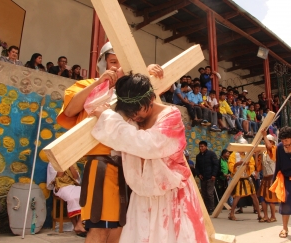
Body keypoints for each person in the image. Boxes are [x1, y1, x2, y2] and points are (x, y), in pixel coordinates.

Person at [56, 42, 163, 243]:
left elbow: (151, 114)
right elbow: (70, 111)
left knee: (122, 230)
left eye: (122, 64)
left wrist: (151, 75)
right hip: (103, 165)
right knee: (99, 228)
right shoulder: (86, 85)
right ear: (103, 63)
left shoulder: (130, 95)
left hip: (131, 167)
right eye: (113, 62)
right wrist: (100, 84)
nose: (117, 67)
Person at [90, 73, 209, 243]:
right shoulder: (131, 116)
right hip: (142, 199)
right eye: (129, 113)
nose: (134, 117)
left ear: (152, 98)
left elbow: (148, 145)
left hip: (172, 198)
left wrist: (108, 118)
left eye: (137, 111)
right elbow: (92, 104)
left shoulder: (171, 117)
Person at [227, 136, 262, 221]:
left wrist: (247, 166)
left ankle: (259, 214)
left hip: (247, 177)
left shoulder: (248, 155)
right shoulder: (233, 155)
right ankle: (232, 214)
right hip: (239, 178)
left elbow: (252, 166)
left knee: (254, 195)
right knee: (237, 196)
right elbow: (231, 166)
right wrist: (237, 164)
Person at [46, 163, 86, 237]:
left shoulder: (72, 161)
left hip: (72, 185)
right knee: (72, 198)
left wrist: (70, 164)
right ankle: (76, 225)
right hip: (61, 187)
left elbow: (76, 177)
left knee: (86, 195)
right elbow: (60, 175)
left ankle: (79, 224)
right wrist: (63, 162)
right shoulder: (52, 162)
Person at [256, 131, 279, 223]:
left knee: (271, 199)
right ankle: (265, 216)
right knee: (263, 199)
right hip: (265, 178)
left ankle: (273, 216)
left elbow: (269, 147)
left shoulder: (274, 149)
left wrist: (265, 135)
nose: (265, 143)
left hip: (272, 177)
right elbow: (258, 168)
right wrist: (256, 154)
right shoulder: (263, 153)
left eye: (267, 141)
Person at [195, 141, 219, 215]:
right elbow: (197, 167)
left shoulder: (211, 154)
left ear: (206, 147)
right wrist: (198, 174)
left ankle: (212, 208)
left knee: (209, 193)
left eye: (202, 146)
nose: (201, 148)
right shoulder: (198, 156)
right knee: (204, 194)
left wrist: (214, 174)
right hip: (203, 178)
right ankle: (206, 208)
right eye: (200, 146)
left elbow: (216, 165)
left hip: (210, 177)